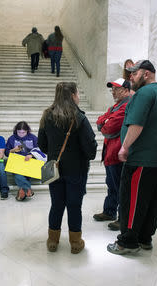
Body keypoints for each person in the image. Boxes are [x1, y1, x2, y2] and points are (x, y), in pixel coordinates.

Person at [107, 60, 157, 255]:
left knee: (133, 199)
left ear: (146, 74)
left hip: (143, 157)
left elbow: (136, 124)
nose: (131, 77)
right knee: (153, 200)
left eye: (134, 73)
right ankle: (145, 238)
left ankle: (127, 242)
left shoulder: (144, 94)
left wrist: (124, 147)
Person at [38, 82, 97, 254]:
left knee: (56, 205)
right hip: (76, 170)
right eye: (77, 93)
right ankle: (75, 243)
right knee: (74, 205)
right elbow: (90, 149)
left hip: (54, 169)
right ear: (72, 95)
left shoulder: (47, 116)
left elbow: (41, 145)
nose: (78, 96)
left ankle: (52, 241)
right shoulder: (79, 118)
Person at [93, 79, 131, 231]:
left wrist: (105, 122)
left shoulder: (127, 106)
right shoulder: (116, 106)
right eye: (112, 89)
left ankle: (123, 219)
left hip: (118, 154)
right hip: (110, 153)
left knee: (121, 187)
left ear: (126, 90)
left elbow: (109, 128)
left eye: (116, 89)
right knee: (112, 185)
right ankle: (109, 211)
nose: (113, 92)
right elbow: (101, 122)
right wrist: (105, 121)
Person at [5, 121, 39, 201]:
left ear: (27, 131)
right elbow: (6, 153)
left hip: (29, 162)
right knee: (18, 174)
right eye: (19, 132)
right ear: (16, 131)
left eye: (23, 132)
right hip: (16, 162)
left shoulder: (33, 138)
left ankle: (22, 191)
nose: (21, 134)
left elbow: (39, 150)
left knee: (23, 173)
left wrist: (31, 155)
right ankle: (28, 189)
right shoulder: (12, 138)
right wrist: (13, 150)